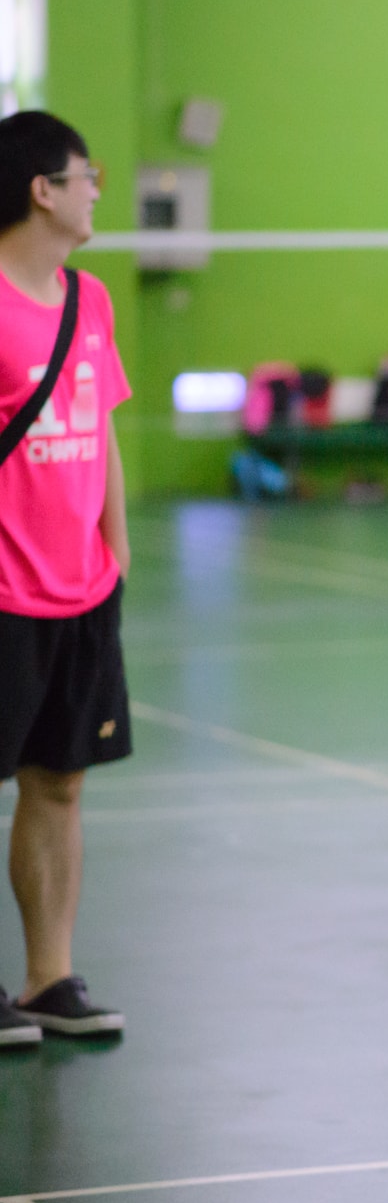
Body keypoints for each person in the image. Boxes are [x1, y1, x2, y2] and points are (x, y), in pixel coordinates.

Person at [0, 110, 129, 1043]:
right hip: (2, 593)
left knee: (60, 784)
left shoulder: (92, 300)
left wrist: (114, 557)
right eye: (88, 176)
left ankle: (48, 978)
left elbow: (103, 428)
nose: (96, 192)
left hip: (81, 591)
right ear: (42, 189)